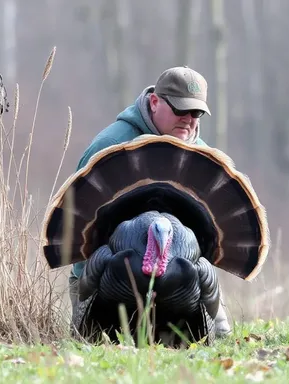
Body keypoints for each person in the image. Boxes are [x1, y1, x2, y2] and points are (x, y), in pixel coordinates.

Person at [68, 65, 232, 338]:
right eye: (180, 110)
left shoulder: (201, 155)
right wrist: (84, 302)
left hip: (178, 281)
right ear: (155, 102)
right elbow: (79, 229)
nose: (189, 120)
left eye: (197, 113)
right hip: (108, 276)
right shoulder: (112, 144)